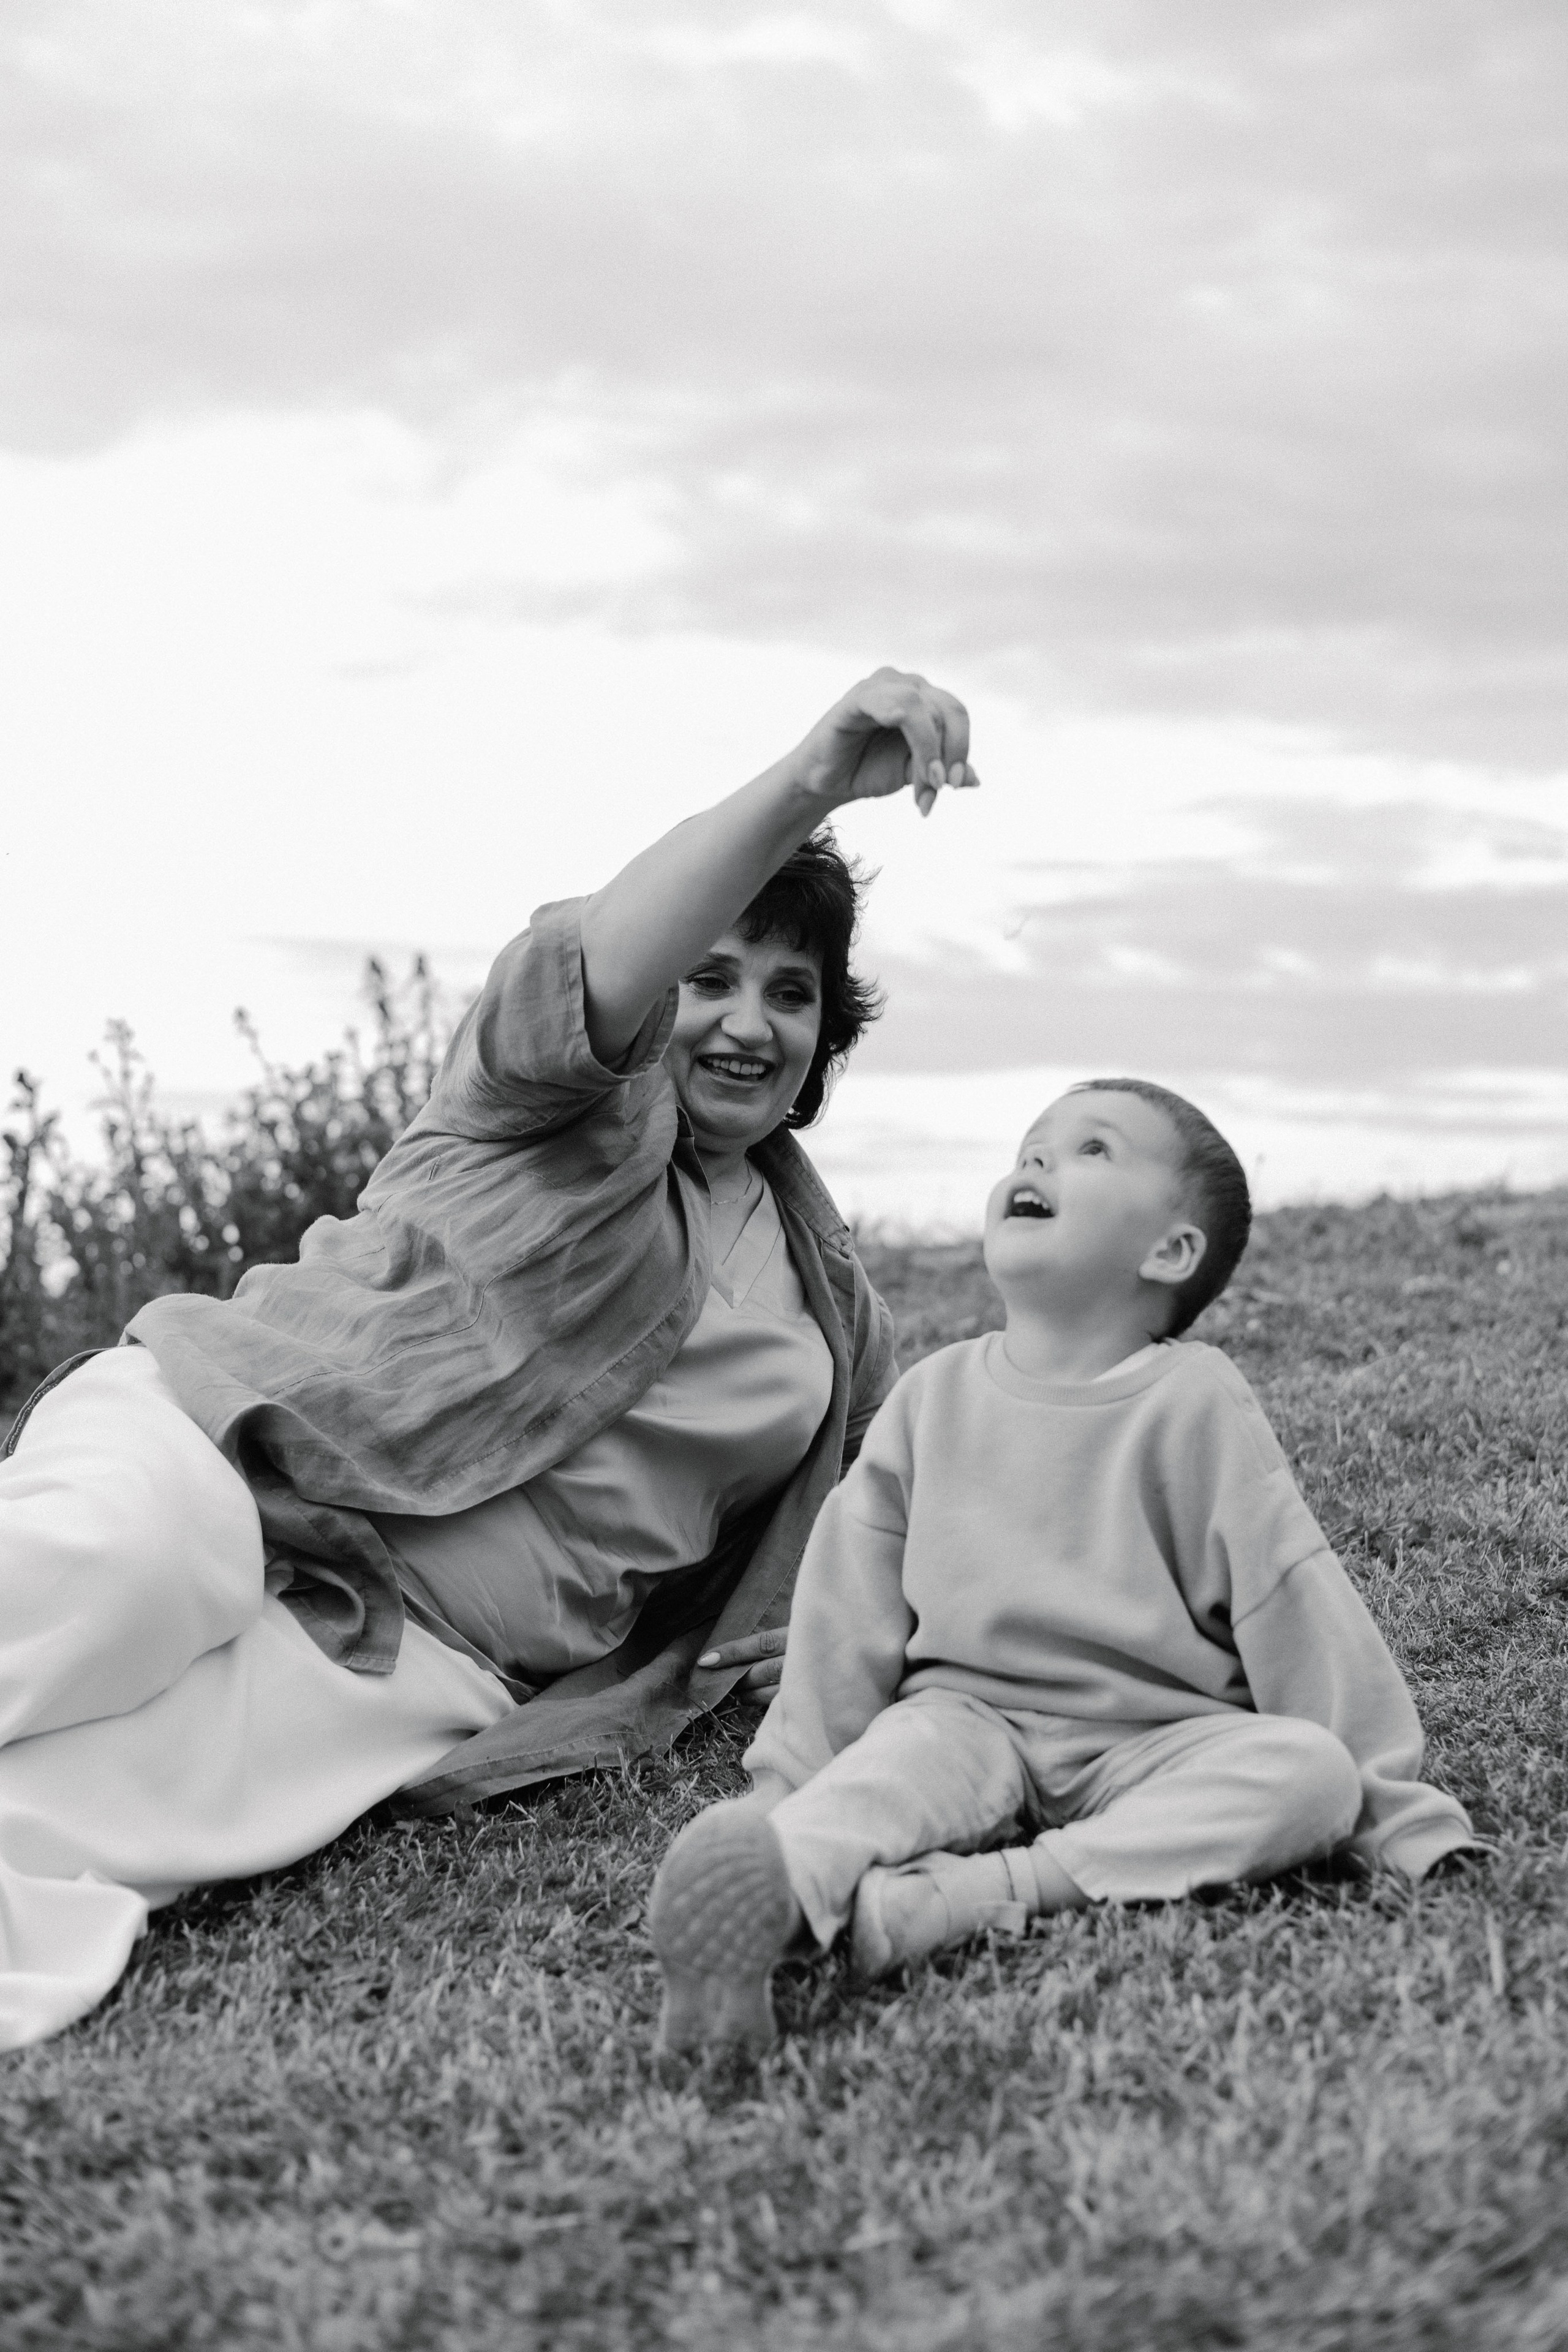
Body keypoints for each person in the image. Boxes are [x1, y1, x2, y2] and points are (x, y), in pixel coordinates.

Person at [0, 666, 975, 2052]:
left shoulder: (834, 1308)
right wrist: (810, 782)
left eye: (791, 993)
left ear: (825, 1035)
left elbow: (889, 1519)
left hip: (430, 1650)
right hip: (234, 1442)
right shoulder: (542, 1104)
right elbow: (592, 963)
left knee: (99, 1819)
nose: (749, 1023)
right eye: (712, 978)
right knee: (106, 1575)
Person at [649, 1079, 1478, 2058]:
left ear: (1169, 1252)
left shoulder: (1196, 1402)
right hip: (959, 1719)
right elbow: (850, 1602)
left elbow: (1291, 1592)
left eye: (1092, 1150)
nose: (1036, 1162)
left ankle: (970, 1898)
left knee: (1308, 1777)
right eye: (1031, 1146)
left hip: (1152, 1735)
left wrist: (1397, 1815)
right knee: (870, 1790)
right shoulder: (936, 1395)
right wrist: (790, 1783)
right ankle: (769, 1901)